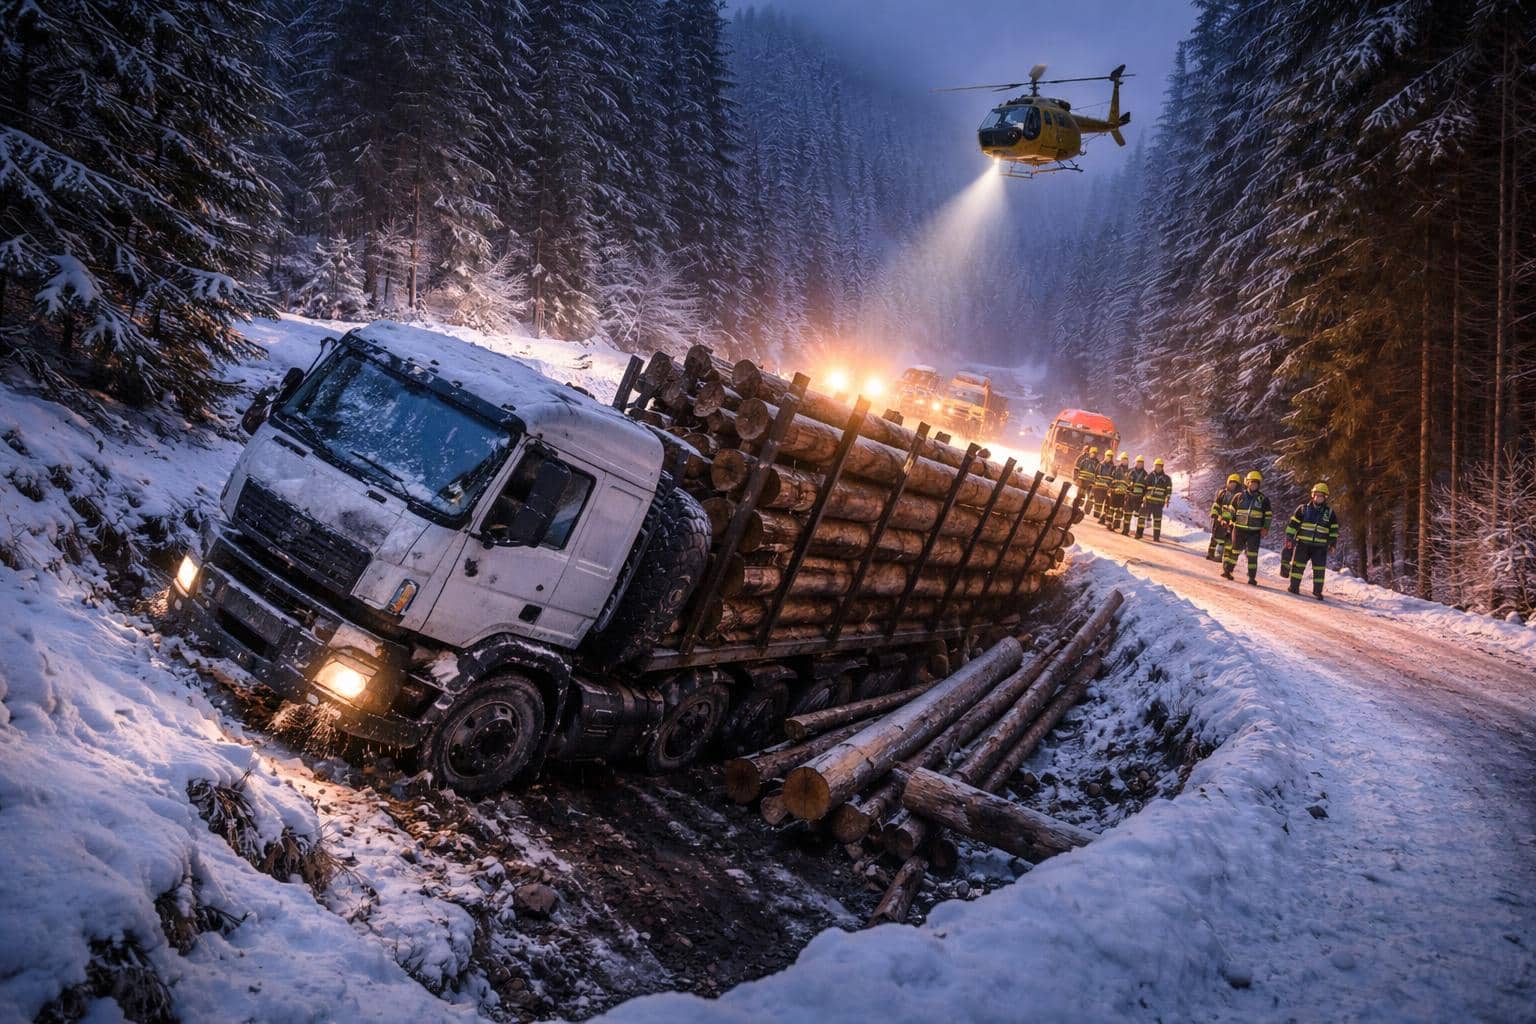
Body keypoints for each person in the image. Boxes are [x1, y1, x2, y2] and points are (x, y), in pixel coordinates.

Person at [1285, 482, 1340, 599]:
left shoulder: (1330, 513)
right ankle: (1294, 587)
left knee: (1319, 569)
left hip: (1320, 547)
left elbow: (1334, 530)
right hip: (1303, 544)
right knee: (1297, 566)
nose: (1318, 498)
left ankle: (1317, 592)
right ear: (1312, 495)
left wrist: (1332, 544)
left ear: (1325, 497)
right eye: (1316, 495)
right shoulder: (1303, 509)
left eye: (1321, 496)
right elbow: (1292, 525)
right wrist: (1289, 538)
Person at [1222, 470, 1273, 584]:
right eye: (1252, 482)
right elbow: (1231, 511)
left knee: (1252, 554)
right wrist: (1226, 520)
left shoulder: (1263, 499)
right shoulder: (1239, 496)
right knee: (1234, 551)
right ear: (1247, 483)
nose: (1254, 485)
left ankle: (1251, 577)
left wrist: (1265, 528)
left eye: (1256, 483)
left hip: (1254, 532)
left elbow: (1268, 516)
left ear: (1259, 485)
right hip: (1239, 529)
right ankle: (1228, 571)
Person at [1206, 473, 1241, 561]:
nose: (1232, 485)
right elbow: (1216, 504)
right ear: (1228, 483)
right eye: (1231, 483)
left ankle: (1220, 556)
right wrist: (1214, 514)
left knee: (1225, 539)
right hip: (1219, 519)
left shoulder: (1238, 496)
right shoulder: (1222, 493)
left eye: (1235, 484)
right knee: (1215, 536)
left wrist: (1234, 520)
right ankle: (1210, 553)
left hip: (1230, 521)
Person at [1139, 457, 1171, 540]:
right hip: (1148, 501)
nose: (1157, 467)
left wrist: (1167, 498)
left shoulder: (1167, 479)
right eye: (1156, 466)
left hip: (1158, 504)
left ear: (1162, 467)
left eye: (1158, 466)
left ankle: (1156, 537)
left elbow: (1168, 490)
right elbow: (1144, 487)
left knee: (1157, 521)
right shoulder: (1149, 476)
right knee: (1142, 517)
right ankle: (1139, 534)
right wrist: (1143, 497)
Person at [1106, 452, 1131, 532]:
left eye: (1125, 459)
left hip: (1123, 494)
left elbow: (1130, 483)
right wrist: (1110, 488)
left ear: (1127, 461)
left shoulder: (1130, 471)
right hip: (1114, 492)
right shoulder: (1116, 469)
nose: (1124, 461)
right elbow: (1111, 478)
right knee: (1111, 508)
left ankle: (1116, 524)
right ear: (1121, 460)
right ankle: (1109, 523)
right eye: (1123, 459)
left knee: (1119, 510)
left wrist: (1128, 492)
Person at [1125, 455, 1148, 537]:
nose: (1139, 464)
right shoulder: (1130, 472)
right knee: (1127, 514)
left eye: (1141, 463)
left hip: (1139, 498)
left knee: (1141, 517)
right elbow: (1125, 483)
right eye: (1138, 462)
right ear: (1136, 462)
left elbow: (1147, 488)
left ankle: (1139, 533)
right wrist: (1127, 491)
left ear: (1143, 464)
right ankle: (1125, 530)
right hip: (1130, 496)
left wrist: (1145, 497)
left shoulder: (1145, 475)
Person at [1075, 446, 1101, 515]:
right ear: (1090, 453)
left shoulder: (1098, 464)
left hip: (1091, 483)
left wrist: (1095, 483)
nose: (1094, 454)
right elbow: (1078, 469)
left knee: (1090, 497)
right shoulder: (1084, 460)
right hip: (1082, 481)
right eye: (1093, 453)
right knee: (1080, 495)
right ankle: (1076, 507)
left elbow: (1098, 474)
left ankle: (1087, 511)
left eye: (1095, 454)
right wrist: (1077, 478)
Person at [1092, 451, 1114, 523]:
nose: (1108, 458)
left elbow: (1113, 478)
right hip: (1098, 487)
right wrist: (1094, 484)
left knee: (1106, 504)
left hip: (1106, 489)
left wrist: (1110, 487)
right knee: (1098, 503)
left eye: (1110, 457)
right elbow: (1095, 475)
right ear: (1105, 456)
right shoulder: (1100, 465)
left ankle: (1102, 518)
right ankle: (1096, 517)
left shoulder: (1113, 467)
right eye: (1107, 456)